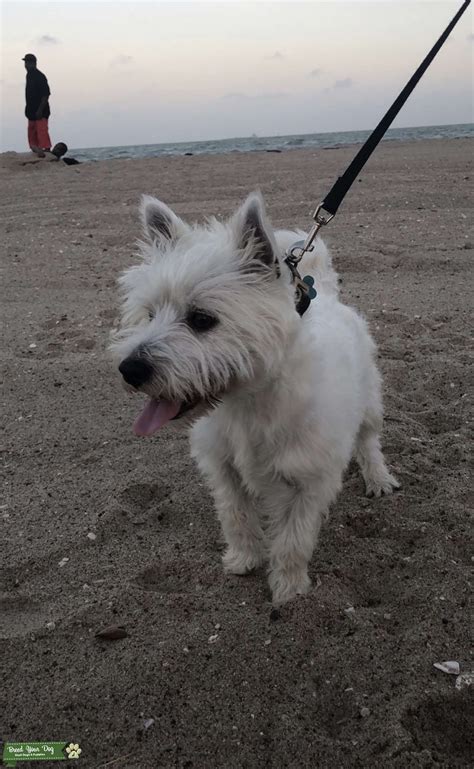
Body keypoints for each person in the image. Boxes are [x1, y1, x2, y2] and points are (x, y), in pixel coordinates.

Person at [23, 53, 52, 154]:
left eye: (28, 63)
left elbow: (46, 94)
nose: (26, 65)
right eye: (26, 63)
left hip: (41, 111)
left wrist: (40, 110)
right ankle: (36, 150)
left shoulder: (39, 76)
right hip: (31, 111)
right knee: (32, 132)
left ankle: (46, 150)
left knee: (42, 131)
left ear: (34, 63)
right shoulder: (29, 75)